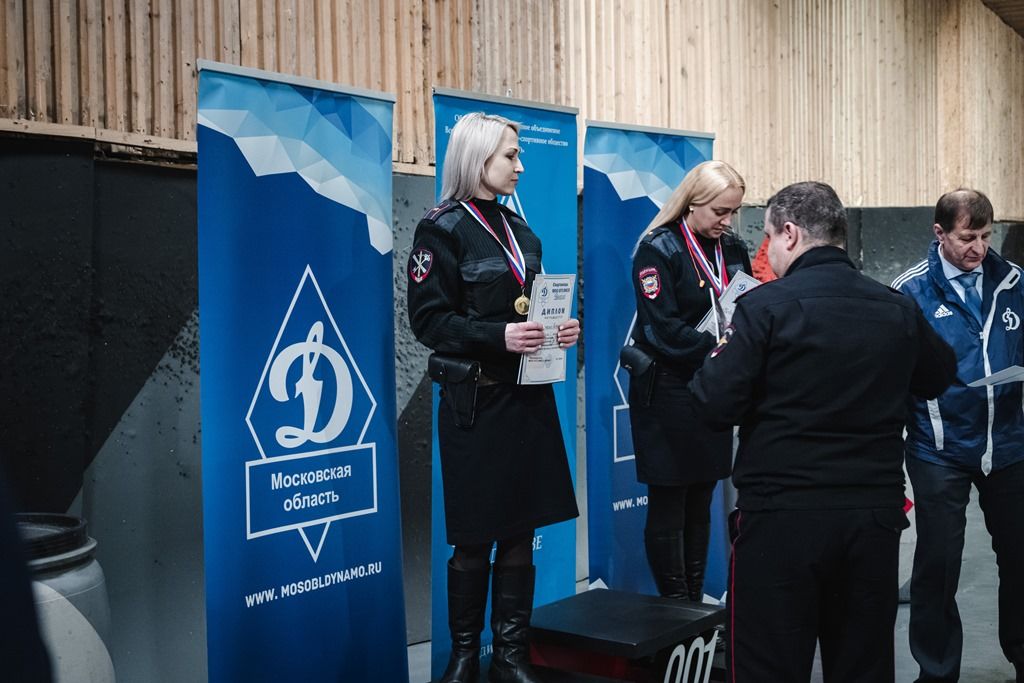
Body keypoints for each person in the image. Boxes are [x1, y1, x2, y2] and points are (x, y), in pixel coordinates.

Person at [689, 181, 957, 682]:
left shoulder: (764, 308)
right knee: (862, 666)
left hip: (781, 518)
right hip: (871, 519)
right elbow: (939, 375)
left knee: (768, 666)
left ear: (790, 234)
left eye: (769, 238)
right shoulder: (895, 307)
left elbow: (713, 402)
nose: (768, 250)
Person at [407, 112, 580, 683]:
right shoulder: (441, 230)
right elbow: (428, 321)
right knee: (473, 537)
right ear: (477, 157)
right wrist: (497, 336)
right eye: (510, 155)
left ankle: (509, 656)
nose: (520, 165)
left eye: (519, 154)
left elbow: (533, 310)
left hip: (528, 401)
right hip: (475, 405)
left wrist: (559, 329)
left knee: (520, 532)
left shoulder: (522, 233)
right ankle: (463, 657)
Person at [892, 188, 1024, 683]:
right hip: (938, 451)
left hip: (1008, 444)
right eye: (968, 237)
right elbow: (896, 375)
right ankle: (936, 671)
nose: (979, 248)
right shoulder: (909, 292)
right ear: (940, 233)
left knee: (1020, 558)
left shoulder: (1014, 282)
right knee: (938, 564)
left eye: (986, 236)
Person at [626, 160, 751, 602]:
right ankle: (675, 603)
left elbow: (744, 306)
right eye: (720, 211)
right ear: (692, 203)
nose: (727, 221)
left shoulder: (731, 247)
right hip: (667, 389)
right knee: (670, 497)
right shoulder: (657, 248)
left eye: (733, 211)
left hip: (711, 385)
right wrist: (723, 347)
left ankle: (694, 601)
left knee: (702, 495)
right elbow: (663, 331)